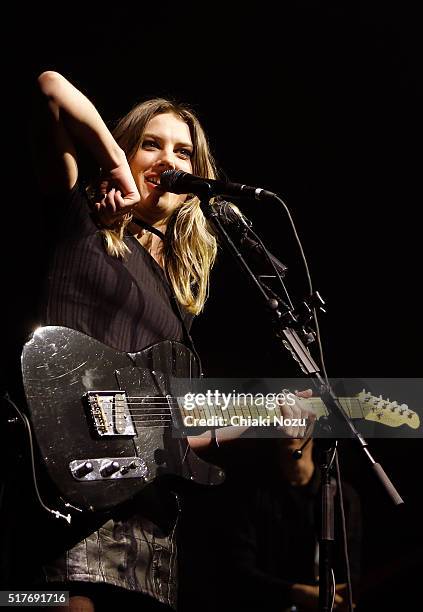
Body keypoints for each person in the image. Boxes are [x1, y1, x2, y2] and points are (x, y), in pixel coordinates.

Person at [0, 71, 313, 611]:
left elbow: (171, 436)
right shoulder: (79, 215)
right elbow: (50, 89)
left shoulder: (177, 305)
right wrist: (115, 170)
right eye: (151, 144)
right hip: (65, 511)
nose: (169, 159)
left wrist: (261, 412)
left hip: (149, 532)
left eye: (184, 152)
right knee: (32, 602)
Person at [179, 436, 361, 612]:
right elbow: (237, 572)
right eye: (283, 419)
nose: (290, 428)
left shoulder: (342, 497)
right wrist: (297, 593)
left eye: (300, 418)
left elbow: (349, 570)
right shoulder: (249, 494)